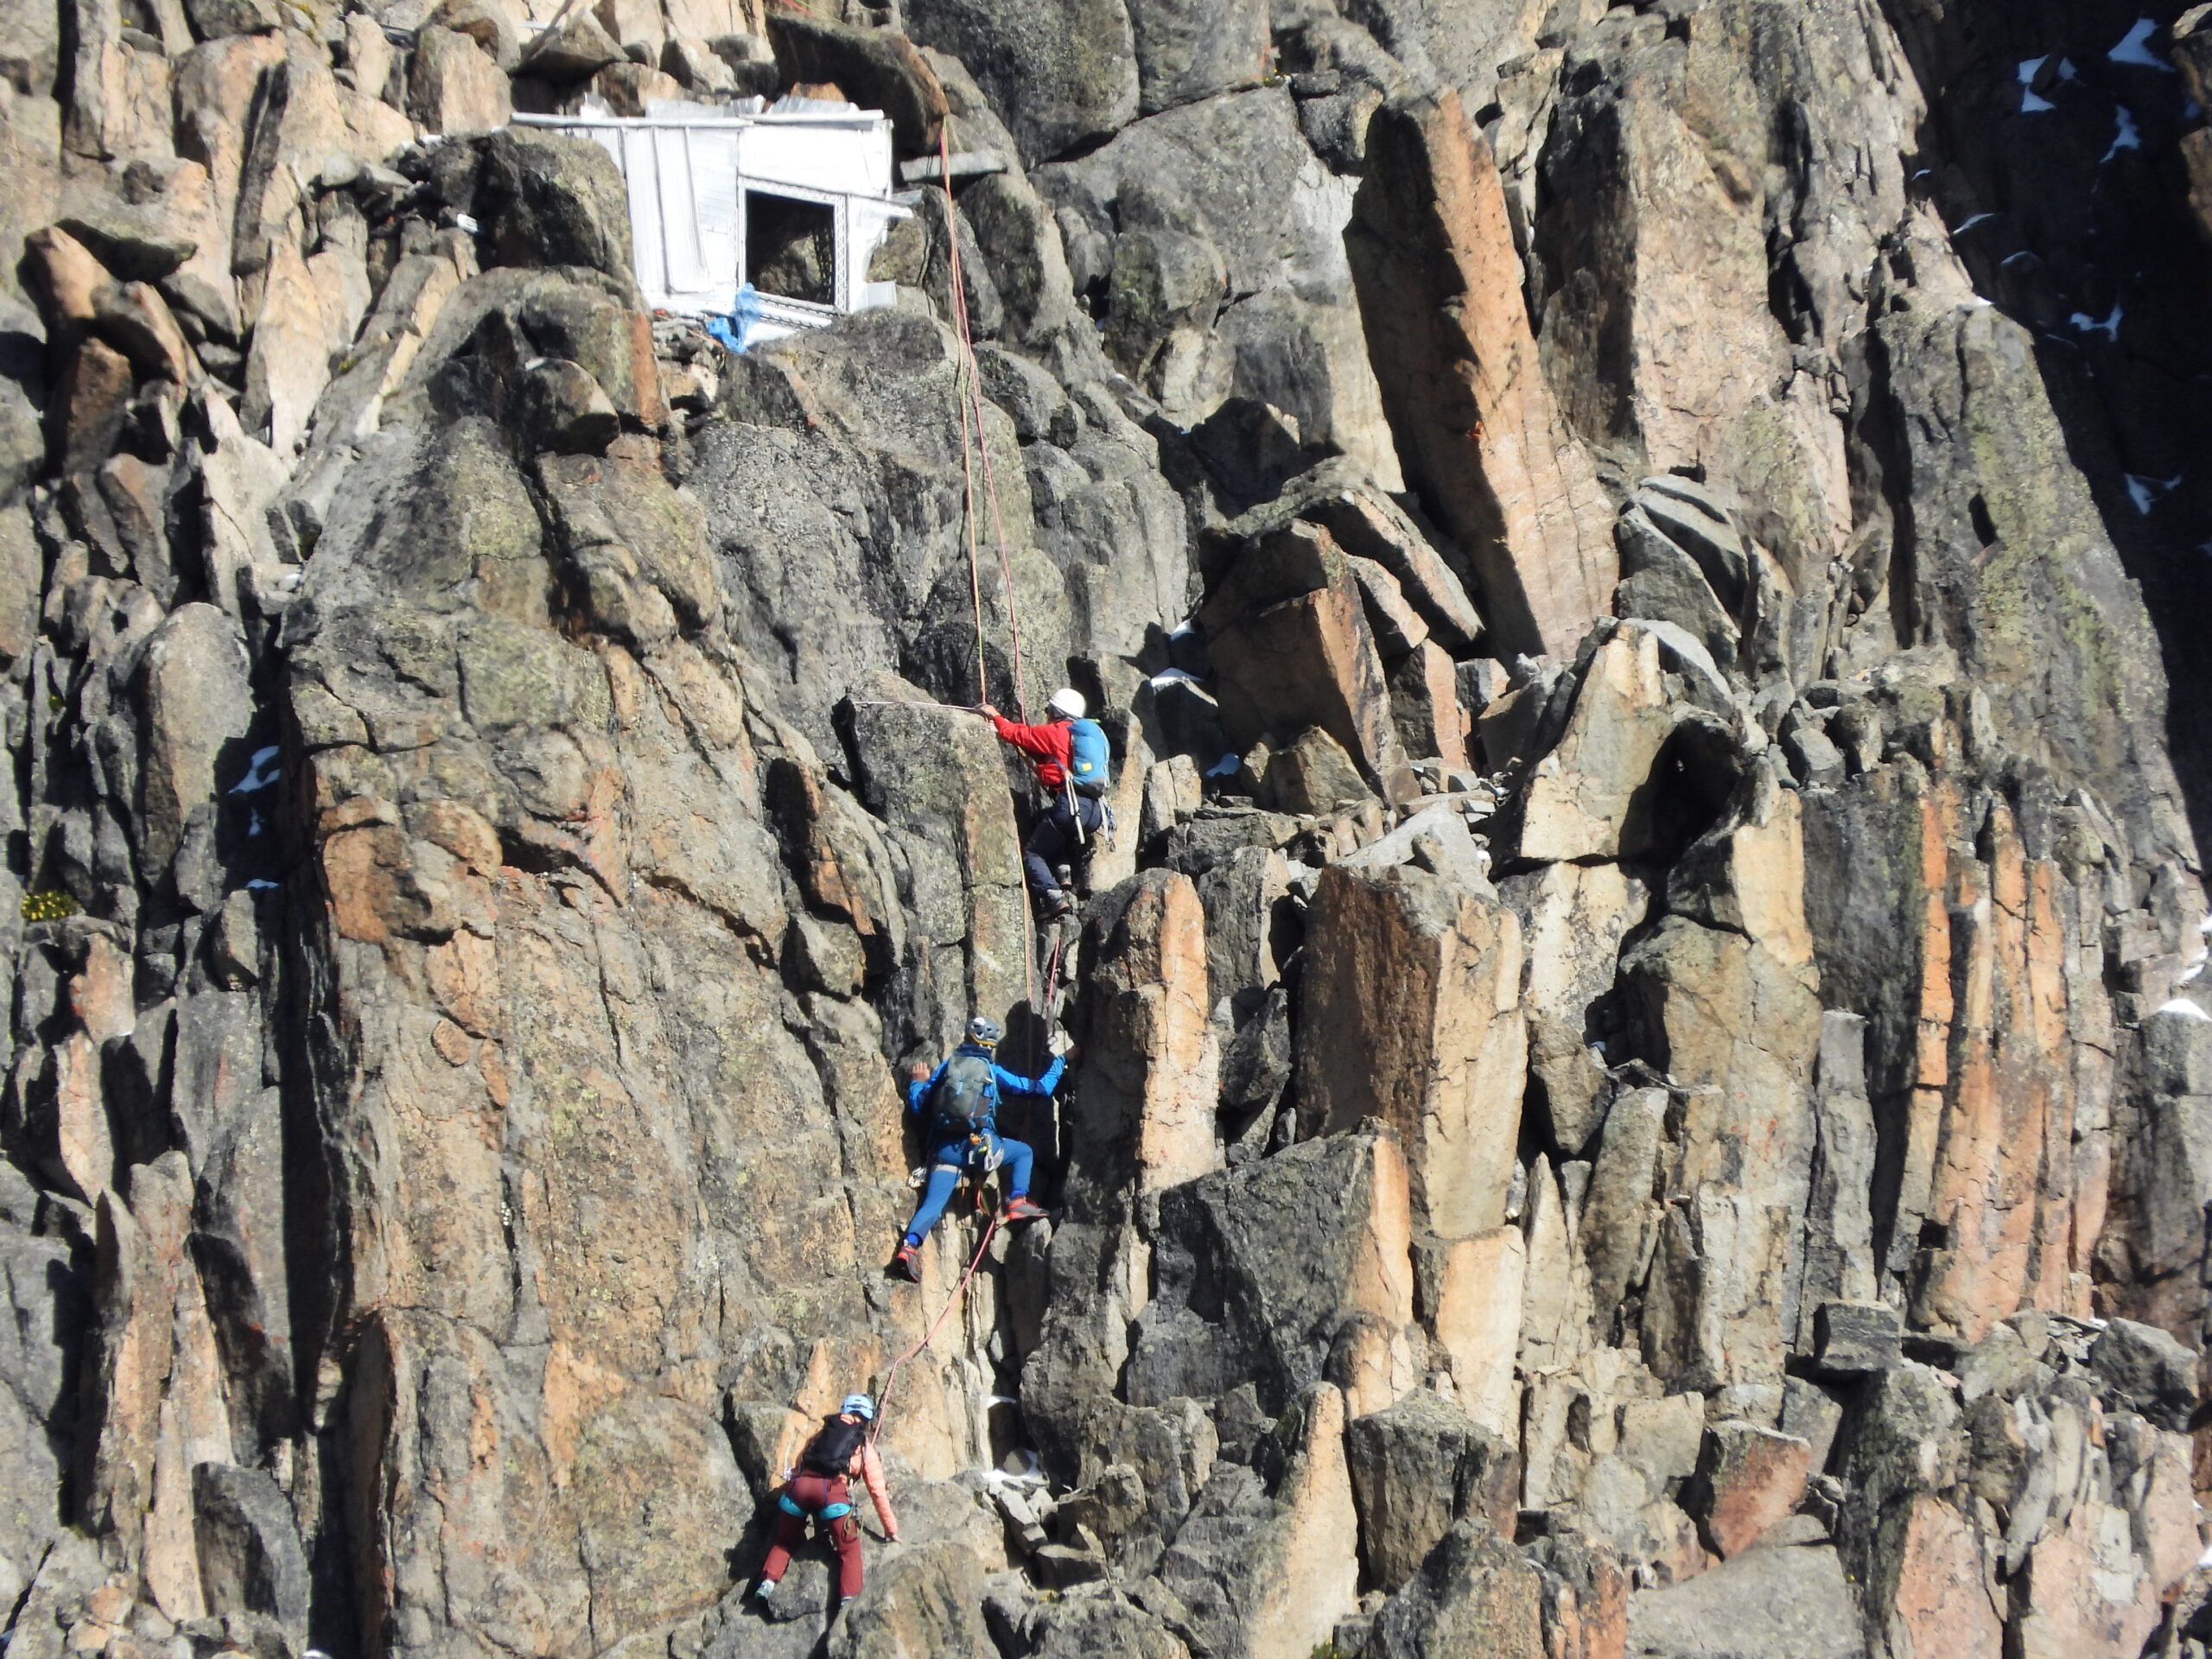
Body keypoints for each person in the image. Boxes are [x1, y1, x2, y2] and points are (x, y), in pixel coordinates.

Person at [890, 1016, 1065, 1281]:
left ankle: (908, 1248)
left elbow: (919, 1105)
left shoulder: (949, 1066)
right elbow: (1040, 1089)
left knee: (933, 1204)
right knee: (1023, 1152)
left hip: (945, 1150)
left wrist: (917, 1082)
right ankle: (1017, 1201)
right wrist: (1060, 1062)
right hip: (980, 1150)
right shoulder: (992, 1072)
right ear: (991, 1045)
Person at [979, 688, 1111, 921]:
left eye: (1049, 709)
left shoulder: (1056, 732)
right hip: (1094, 811)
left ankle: (1053, 897)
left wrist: (995, 715)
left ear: (1057, 712)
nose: (1047, 713)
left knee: (1033, 853)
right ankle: (1063, 871)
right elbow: (1053, 758)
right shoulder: (1080, 736)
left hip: (1070, 806)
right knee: (1046, 821)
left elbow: (1018, 734)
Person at [756, 1394, 898, 1610]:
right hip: (833, 1495)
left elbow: (800, 1461)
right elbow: (877, 1492)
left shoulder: (822, 1432)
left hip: (800, 1490)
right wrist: (891, 1529)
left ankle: (767, 1582)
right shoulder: (864, 1446)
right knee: (849, 1551)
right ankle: (848, 1600)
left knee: (784, 1541)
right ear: (866, 1419)